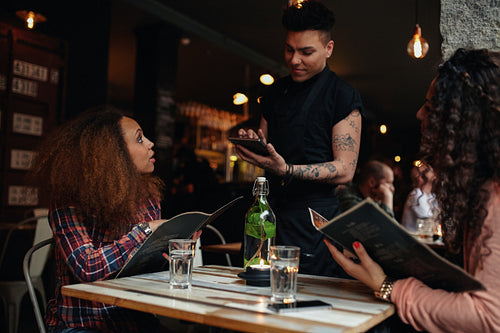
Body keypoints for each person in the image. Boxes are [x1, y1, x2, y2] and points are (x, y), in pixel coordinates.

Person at [325, 48, 500, 332]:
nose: (419, 114)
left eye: (431, 107)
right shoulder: (483, 190)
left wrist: (386, 287)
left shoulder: (494, 199)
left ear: (463, 122)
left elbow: (489, 316)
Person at [29, 106, 199, 332]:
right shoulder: (68, 202)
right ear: (113, 155)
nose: (150, 143)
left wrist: (175, 249)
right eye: (140, 139)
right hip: (82, 323)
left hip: (134, 320)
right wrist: (146, 231)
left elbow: (142, 273)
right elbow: (87, 269)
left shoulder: (147, 199)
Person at [235, 0, 363, 277]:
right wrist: (253, 147)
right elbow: (267, 150)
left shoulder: (342, 95)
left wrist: (288, 170)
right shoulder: (275, 92)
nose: (294, 60)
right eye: (289, 50)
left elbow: (345, 170)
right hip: (270, 215)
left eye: (306, 52)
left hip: (316, 223)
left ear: (329, 49)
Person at [401, 163, 438, 232]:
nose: (433, 171)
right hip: (412, 240)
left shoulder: (431, 196)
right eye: (427, 170)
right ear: (419, 178)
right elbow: (429, 222)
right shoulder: (416, 195)